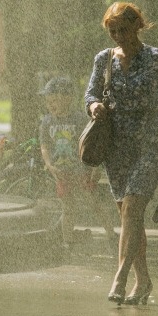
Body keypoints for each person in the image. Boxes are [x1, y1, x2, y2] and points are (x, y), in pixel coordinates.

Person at [85, 1, 158, 305]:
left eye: (123, 30)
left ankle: (120, 277)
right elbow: (90, 94)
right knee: (131, 217)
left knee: (131, 209)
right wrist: (95, 107)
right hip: (115, 149)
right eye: (112, 31)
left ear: (138, 26)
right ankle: (143, 281)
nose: (117, 36)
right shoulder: (103, 60)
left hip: (150, 145)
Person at [38, 75, 117, 251]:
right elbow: (44, 146)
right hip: (61, 171)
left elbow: (93, 143)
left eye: (55, 100)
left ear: (68, 99)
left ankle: (112, 235)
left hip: (82, 170)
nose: (51, 105)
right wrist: (50, 165)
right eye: (48, 101)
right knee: (68, 206)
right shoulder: (46, 122)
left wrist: (96, 167)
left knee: (93, 202)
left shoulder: (80, 119)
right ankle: (68, 241)